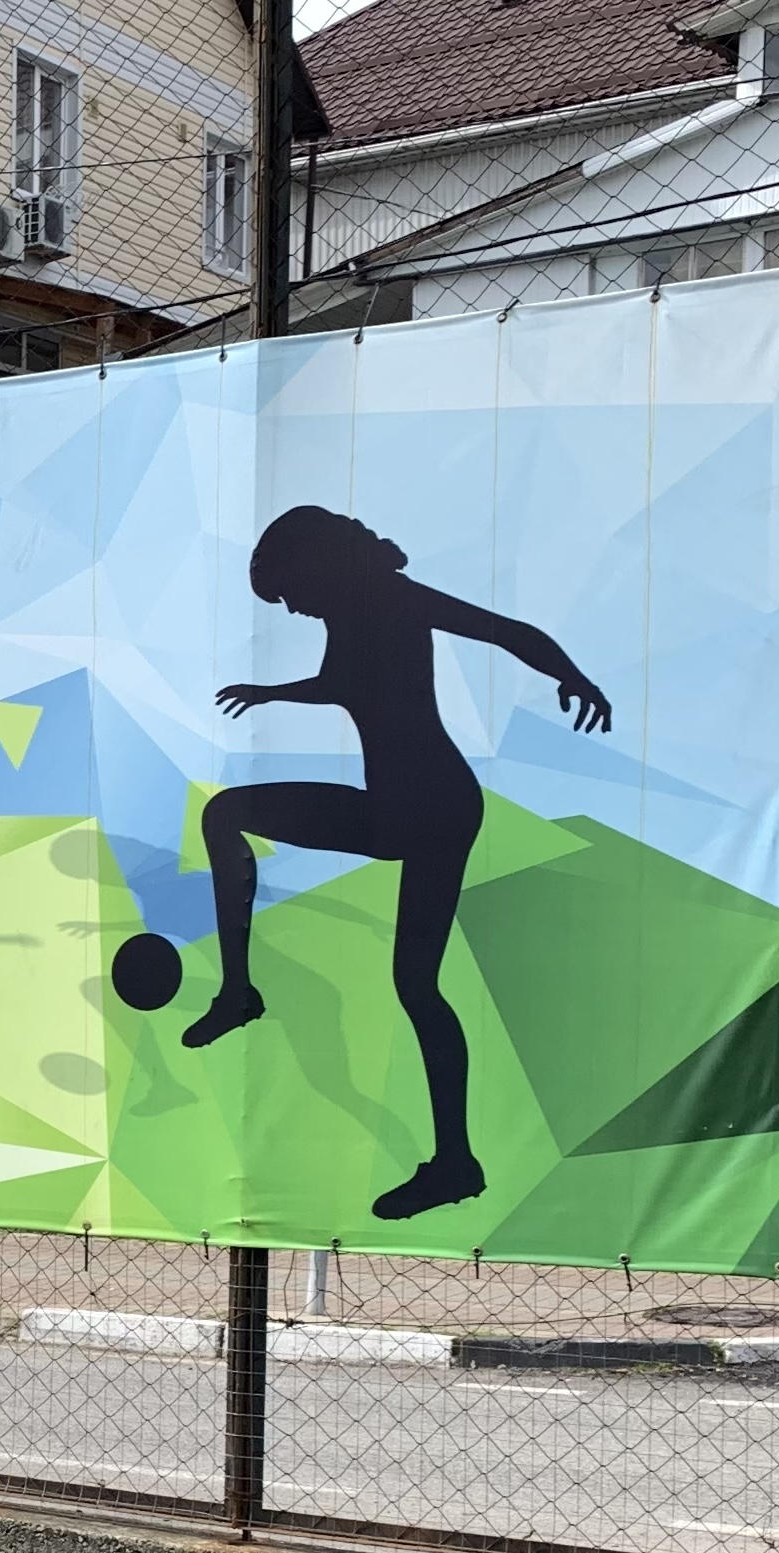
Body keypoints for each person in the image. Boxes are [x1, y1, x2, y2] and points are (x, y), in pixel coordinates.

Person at [192, 506, 614, 1221]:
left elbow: (508, 632)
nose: (290, 608)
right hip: (392, 807)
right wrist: (274, 693)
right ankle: (238, 993)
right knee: (225, 814)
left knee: (416, 985)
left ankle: (455, 1163)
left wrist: (572, 677)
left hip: (436, 808)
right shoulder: (348, 610)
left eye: (289, 591)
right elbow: (346, 684)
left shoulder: (393, 596)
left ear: (317, 565)